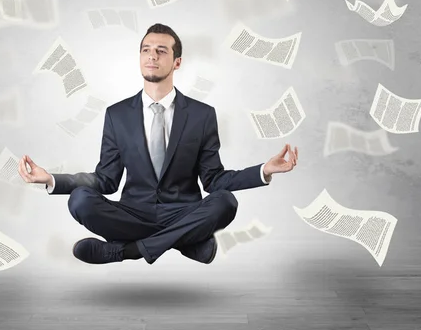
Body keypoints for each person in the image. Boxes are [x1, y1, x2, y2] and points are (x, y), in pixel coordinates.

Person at [18, 23, 299, 265]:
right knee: (80, 199)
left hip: (183, 210)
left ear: (177, 62)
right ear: (139, 57)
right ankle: (186, 241)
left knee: (225, 201)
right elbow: (106, 180)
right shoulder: (116, 115)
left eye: (161, 51)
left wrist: (264, 170)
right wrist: (53, 179)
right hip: (133, 212)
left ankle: (128, 250)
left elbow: (213, 180)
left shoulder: (202, 115)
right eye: (146, 50)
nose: (152, 55)